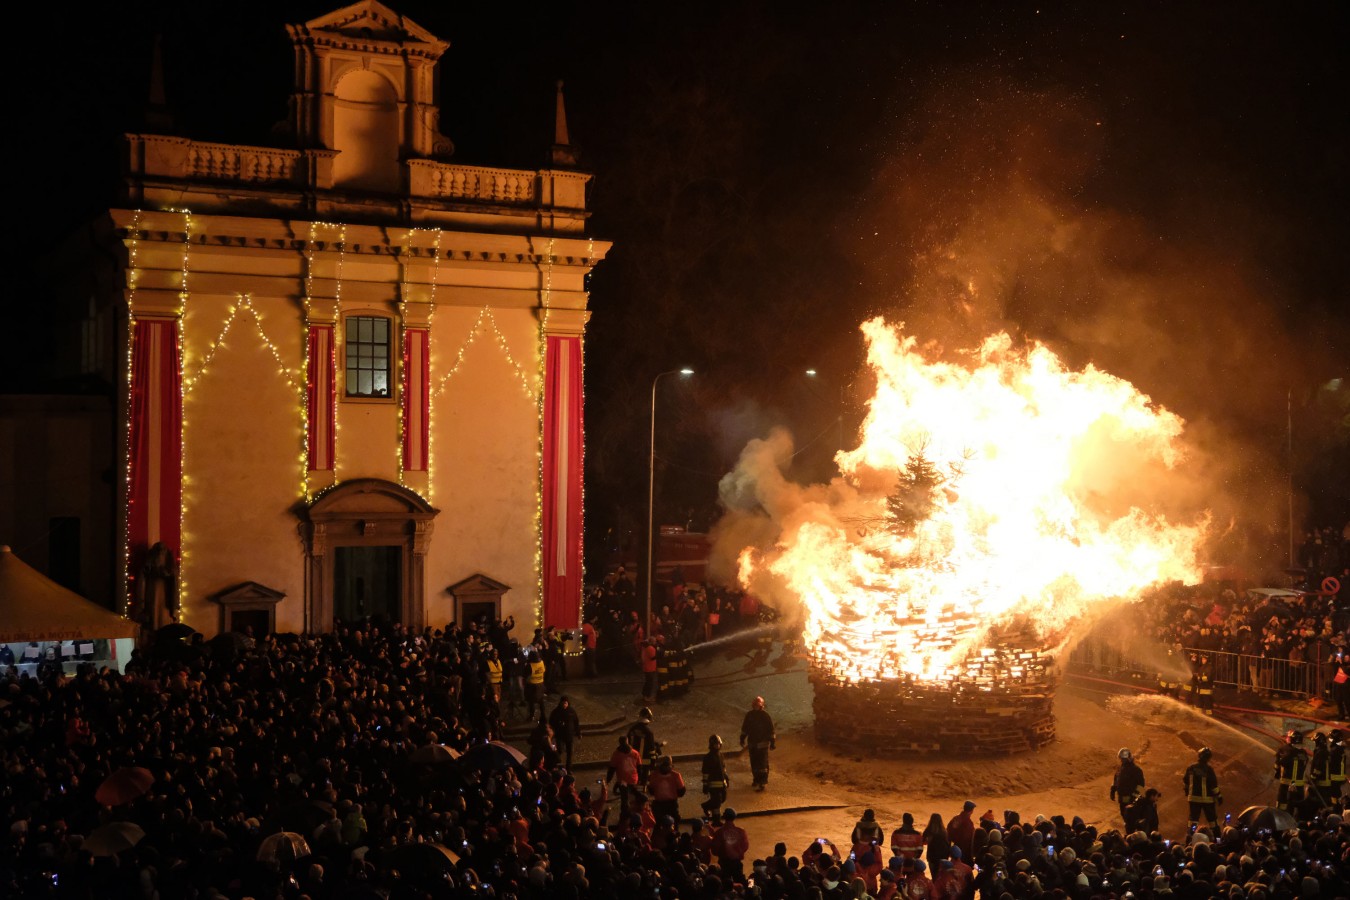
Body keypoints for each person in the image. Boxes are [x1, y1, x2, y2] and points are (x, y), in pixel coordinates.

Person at [739, 695, 776, 791]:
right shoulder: (749, 715)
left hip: (762, 744)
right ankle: (756, 779)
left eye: (757, 705)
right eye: (755, 705)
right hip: (752, 743)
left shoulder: (765, 716)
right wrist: (742, 738)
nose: (756, 707)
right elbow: (745, 728)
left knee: (762, 763)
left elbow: (771, 730)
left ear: (761, 706)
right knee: (754, 763)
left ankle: (762, 782)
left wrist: (772, 742)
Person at [1183, 746, 1221, 831]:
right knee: (1212, 820)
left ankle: (1190, 836)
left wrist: (1187, 792)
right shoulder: (1209, 769)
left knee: (1193, 820)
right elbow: (1213, 785)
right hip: (1207, 800)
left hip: (1193, 799)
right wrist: (1219, 796)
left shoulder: (1191, 768)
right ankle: (1216, 836)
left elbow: (1185, 781)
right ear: (1208, 758)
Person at [1110, 747, 1146, 831]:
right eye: (1121, 759)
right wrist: (1113, 790)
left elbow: (1141, 785)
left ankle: (1132, 832)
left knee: (1131, 818)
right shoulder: (1120, 769)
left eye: (1123, 759)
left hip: (1131, 799)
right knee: (1124, 814)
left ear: (1128, 758)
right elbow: (1116, 780)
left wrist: (1135, 797)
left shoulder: (1136, 770)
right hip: (1122, 798)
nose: (1122, 761)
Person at [605, 735, 642, 813]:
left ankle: (625, 814)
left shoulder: (616, 754)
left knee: (624, 799)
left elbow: (612, 769)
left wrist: (608, 780)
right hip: (633, 779)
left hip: (623, 780)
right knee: (633, 794)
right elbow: (639, 767)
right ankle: (638, 808)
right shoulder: (635, 753)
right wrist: (640, 778)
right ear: (627, 742)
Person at [1275, 729, 1309, 812]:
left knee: (1282, 804)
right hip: (1299, 786)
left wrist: (1277, 770)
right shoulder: (1304, 753)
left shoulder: (1287, 750)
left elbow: (1279, 763)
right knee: (1297, 806)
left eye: (1288, 737)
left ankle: (1281, 817)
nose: (1287, 738)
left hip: (1287, 784)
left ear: (1291, 739)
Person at [712, 807, 750, 882]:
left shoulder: (719, 832)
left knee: (725, 883)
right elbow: (745, 846)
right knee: (739, 882)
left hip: (724, 863)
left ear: (724, 817)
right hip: (737, 862)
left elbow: (714, 850)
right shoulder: (741, 831)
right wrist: (738, 852)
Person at [646, 755, 686, 824]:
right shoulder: (676, 775)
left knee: (658, 823)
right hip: (671, 803)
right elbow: (682, 790)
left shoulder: (654, 775)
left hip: (659, 803)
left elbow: (651, 790)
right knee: (675, 821)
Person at [701, 734, 730, 822]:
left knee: (722, 799)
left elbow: (723, 768)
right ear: (711, 745)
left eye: (718, 744)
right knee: (717, 802)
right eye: (715, 744)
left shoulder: (721, 755)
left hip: (722, 783)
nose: (717, 746)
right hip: (713, 784)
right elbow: (705, 772)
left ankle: (706, 806)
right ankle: (716, 820)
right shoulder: (708, 757)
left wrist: (726, 778)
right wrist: (705, 785)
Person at [626, 707, 660, 782]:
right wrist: (653, 761)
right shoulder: (649, 732)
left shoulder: (632, 729)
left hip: (631, 758)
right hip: (645, 759)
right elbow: (651, 749)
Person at [548, 695, 581, 769]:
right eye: (563, 703)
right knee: (559, 750)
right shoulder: (556, 712)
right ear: (560, 703)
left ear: (568, 703)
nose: (564, 705)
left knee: (570, 753)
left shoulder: (571, 711)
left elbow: (576, 722)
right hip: (560, 735)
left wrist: (578, 732)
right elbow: (551, 723)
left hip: (569, 735)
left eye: (565, 703)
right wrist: (557, 725)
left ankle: (568, 768)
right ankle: (554, 765)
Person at [524, 647, 548, 721]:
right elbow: (544, 671)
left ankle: (531, 716)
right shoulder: (541, 662)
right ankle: (543, 715)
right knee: (541, 701)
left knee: (531, 701)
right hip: (541, 684)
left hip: (532, 686)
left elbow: (525, 675)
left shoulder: (529, 665)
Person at [640, 638, 659, 703]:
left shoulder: (646, 648)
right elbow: (653, 657)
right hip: (649, 668)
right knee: (649, 683)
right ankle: (647, 696)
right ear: (651, 642)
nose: (655, 642)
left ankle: (645, 695)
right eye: (654, 641)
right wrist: (659, 653)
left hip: (647, 667)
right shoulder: (651, 648)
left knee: (648, 682)